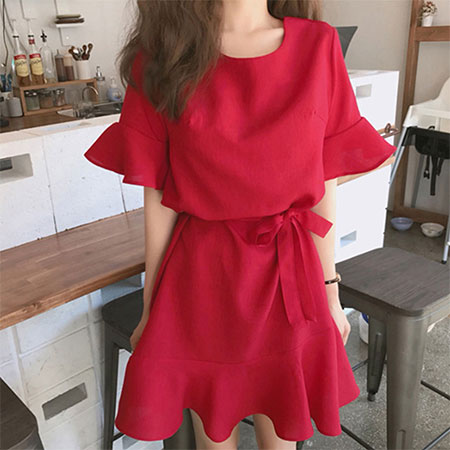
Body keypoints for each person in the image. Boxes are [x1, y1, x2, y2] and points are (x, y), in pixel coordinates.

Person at [84, 0, 396, 449]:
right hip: (202, 281)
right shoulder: (164, 54)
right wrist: (152, 308)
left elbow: (323, 178)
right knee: (213, 434)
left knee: (282, 432)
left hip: (289, 278)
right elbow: (157, 195)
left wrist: (330, 292)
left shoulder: (318, 46)